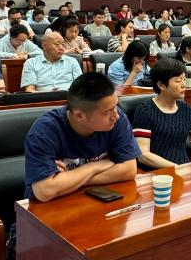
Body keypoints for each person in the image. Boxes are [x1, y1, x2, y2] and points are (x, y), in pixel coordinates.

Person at [24, 73, 139, 202]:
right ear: (79, 116)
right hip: (48, 207)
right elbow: (44, 191)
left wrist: (69, 179)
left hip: (92, 200)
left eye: (116, 106)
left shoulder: (117, 120)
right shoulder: (44, 131)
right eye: (107, 112)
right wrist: (94, 167)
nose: (116, 116)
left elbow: (129, 170)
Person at [132, 58, 191, 168]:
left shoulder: (186, 109)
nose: (184, 85)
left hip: (185, 169)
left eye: (184, 79)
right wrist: (177, 168)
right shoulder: (145, 110)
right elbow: (143, 155)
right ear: (161, 85)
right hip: (158, 173)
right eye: (178, 81)